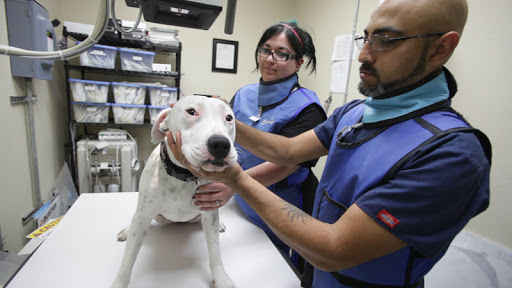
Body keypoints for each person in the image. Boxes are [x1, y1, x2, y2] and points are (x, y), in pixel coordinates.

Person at [168, 0, 492, 287]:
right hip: (314, 273)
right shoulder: (354, 112)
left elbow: (334, 250)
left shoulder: (451, 154)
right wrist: (221, 121)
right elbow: (289, 149)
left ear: (440, 49)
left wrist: (235, 178)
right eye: (366, 38)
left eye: (386, 41)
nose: (364, 54)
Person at [193, 21, 327, 270]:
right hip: (239, 198)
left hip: (284, 202)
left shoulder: (309, 109)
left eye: (281, 53)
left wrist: (233, 185)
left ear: (299, 62)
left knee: (278, 269)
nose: (269, 59)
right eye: (265, 50)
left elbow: (286, 165)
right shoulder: (244, 94)